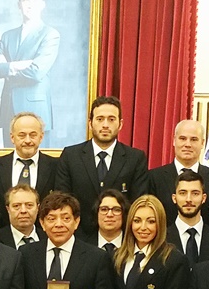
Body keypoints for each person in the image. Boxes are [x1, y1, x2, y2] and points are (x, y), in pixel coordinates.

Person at [55, 96, 149, 235]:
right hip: (79, 238)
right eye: (100, 119)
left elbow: (138, 203)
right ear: (90, 123)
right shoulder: (71, 156)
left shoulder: (135, 158)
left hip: (121, 240)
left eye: (111, 119)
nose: (105, 125)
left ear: (120, 124)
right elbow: (62, 201)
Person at [0, 0, 60, 140]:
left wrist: (5, 69)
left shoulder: (50, 34)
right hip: (8, 109)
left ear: (42, 4)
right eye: (26, 1)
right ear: (19, 5)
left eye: (34, 0)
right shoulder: (7, 36)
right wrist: (14, 66)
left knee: (39, 162)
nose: (30, 5)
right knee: (8, 161)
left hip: (36, 110)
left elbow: (36, 72)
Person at [147, 120, 209, 225]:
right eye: (182, 139)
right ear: (174, 141)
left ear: (202, 143)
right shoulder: (153, 178)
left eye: (194, 139)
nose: (188, 144)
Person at [0, 112, 57, 228]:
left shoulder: (56, 166)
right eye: (22, 135)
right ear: (12, 137)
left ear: (41, 137)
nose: (28, 140)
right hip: (2, 238)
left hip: (43, 237)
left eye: (33, 135)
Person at [166, 170, 209, 266]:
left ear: (204, 198)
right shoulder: (162, 239)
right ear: (174, 198)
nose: (189, 199)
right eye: (183, 193)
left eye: (195, 193)